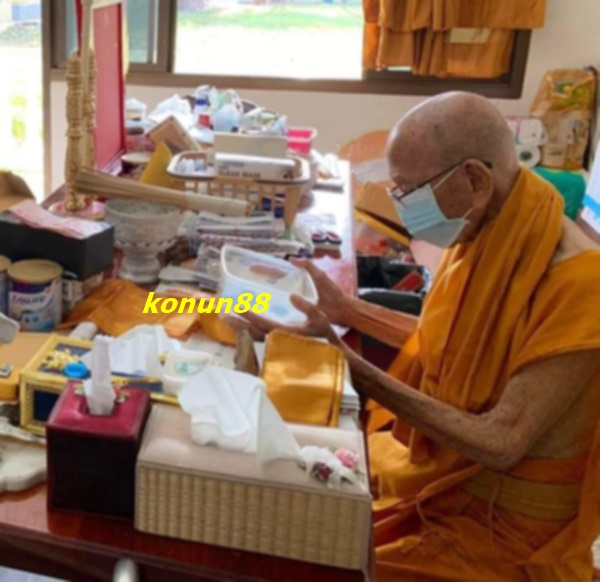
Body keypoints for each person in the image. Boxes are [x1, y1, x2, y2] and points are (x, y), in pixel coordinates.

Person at [228, 91, 600, 581]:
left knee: (308, 559)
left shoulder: (583, 286)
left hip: (500, 532)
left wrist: (347, 364)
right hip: (438, 474)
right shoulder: (491, 226)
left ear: (475, 179)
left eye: (409, 191)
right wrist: (348, 310)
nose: (401, 206)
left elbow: (502, 441)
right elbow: (448, 342)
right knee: (281, 507)